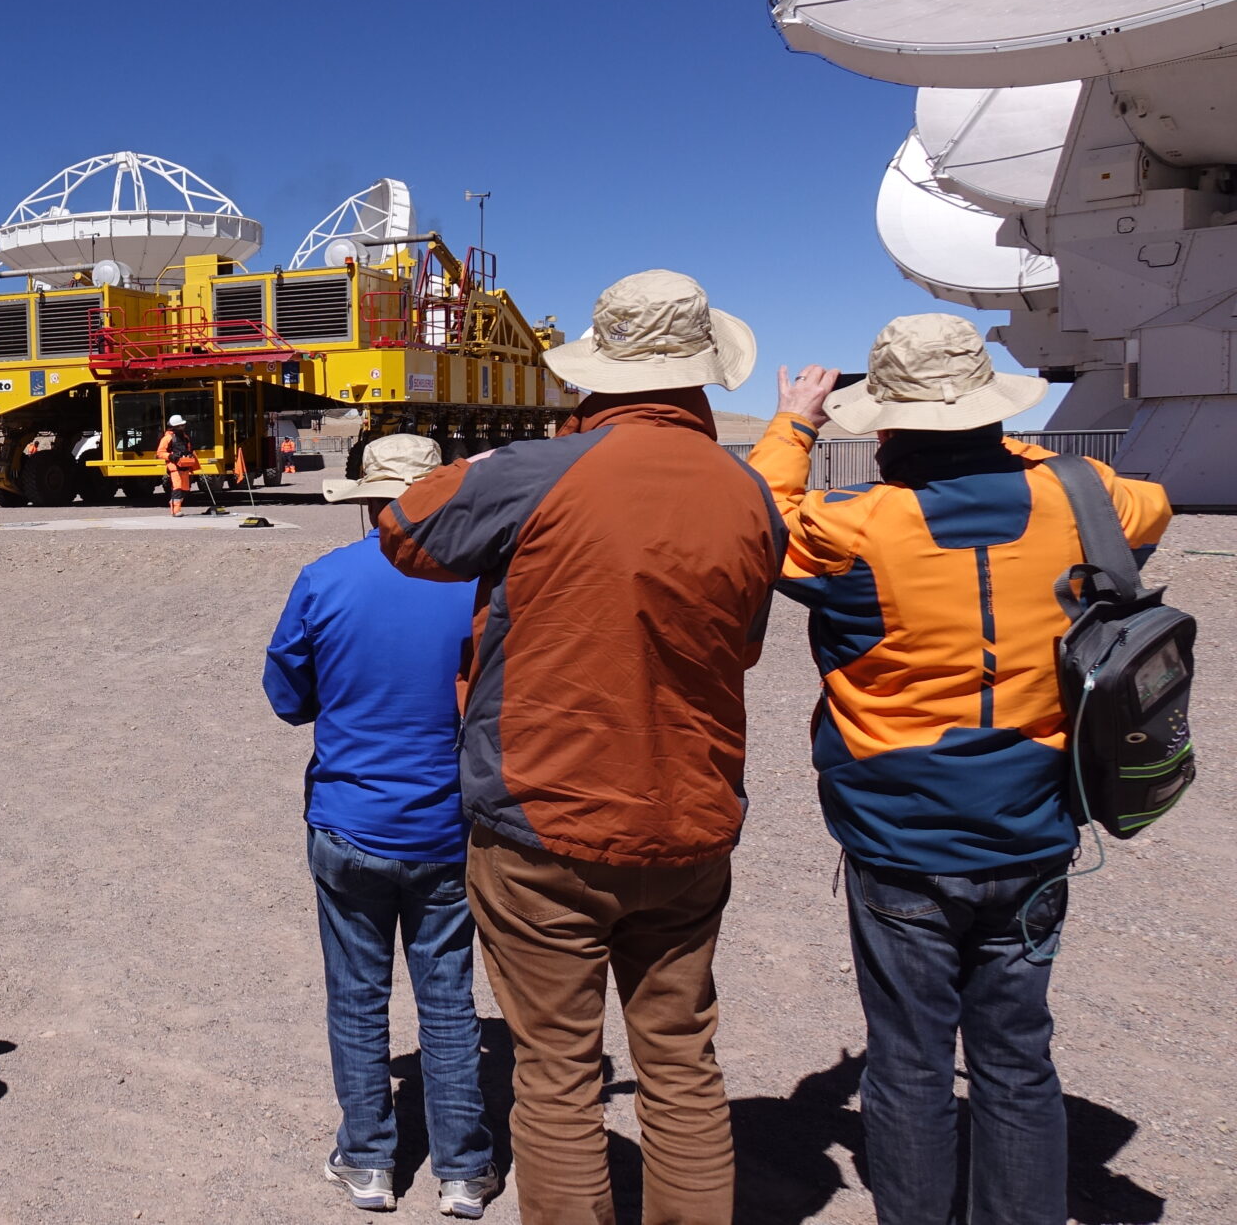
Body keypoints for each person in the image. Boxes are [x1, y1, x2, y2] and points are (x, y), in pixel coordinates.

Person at [378, 270, 785, 1225]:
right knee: (682, 1062)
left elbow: (405, 527)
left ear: (595, 374)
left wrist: (529, 459)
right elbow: (748, 644)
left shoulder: (542, 471)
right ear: (702, 377)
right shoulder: (750, 496)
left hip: (542, 821)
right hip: (688, 823)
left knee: (556, 1074)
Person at [749, 316, 1171, 1225]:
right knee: (1016, 1057)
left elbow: (756, 522)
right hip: (1033, 824)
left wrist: (793, 427)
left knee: (909, 1059)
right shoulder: (1083, 494)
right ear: (988, 411)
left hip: (900, 835)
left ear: (889, 427)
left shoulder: (855, 525)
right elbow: (1153, 506)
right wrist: (1002, 444)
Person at [265, 434, 498, 1218]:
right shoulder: (477, 587)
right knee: (447, 995)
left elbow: (287, 695)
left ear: (364, 498)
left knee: (357, 995)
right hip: (446, 828)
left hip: (349, 822)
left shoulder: (325, 579)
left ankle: (368, 1159)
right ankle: (463, 1167)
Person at [156, 413, 196, 516]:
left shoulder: (185, 437)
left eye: (183, 425)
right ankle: (176, 510)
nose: (183, 427)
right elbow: (160, 453)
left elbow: (189, 449)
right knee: (177, 487)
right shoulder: (167, 438)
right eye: (181, 425)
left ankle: (174, 503)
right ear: (175, 426)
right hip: (174, 466)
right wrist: (171, 457)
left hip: (185, 466)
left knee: (185, 489)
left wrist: (190, 455)